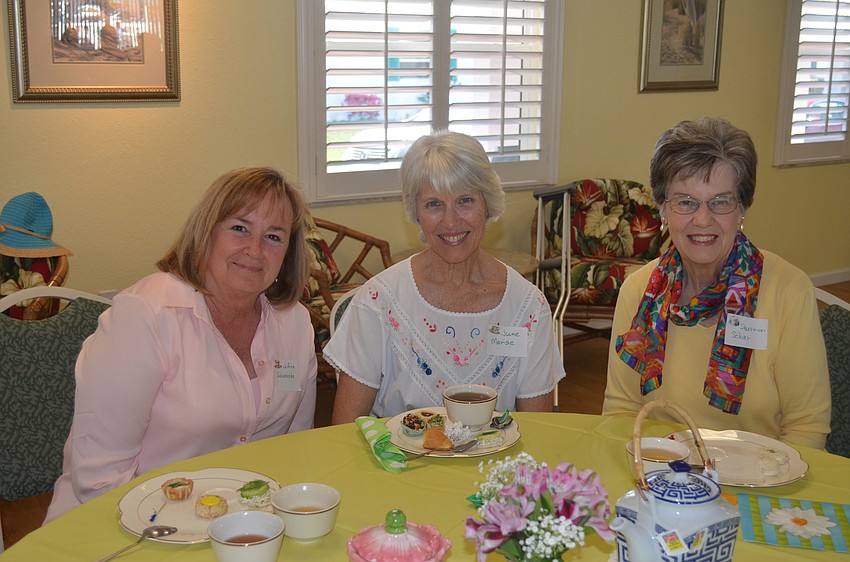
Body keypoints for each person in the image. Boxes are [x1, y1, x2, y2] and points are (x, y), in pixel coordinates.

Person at [45, 167, 317, 521]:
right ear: (206, 233)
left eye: (274, 237)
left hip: (244, 523)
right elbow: (99, 481)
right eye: (239, 228)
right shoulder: (146, 316)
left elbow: (294, 444)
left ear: (287, 253)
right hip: (124, 522)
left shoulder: (293, 324)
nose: (254, 250)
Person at [602, 117, 830, 450]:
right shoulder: (639, 291)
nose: (703, 219)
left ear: (742, 209)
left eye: (720, 202)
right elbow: (621, 413)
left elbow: (806, 429)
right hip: (662, 476)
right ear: (663, 209)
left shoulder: (789, 291)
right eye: (685, 202)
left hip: (763, 480)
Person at [325, 130, 565, 424]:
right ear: (416, 211)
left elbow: (539, 430)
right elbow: (346, 430)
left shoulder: (527, 307)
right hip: (398, 468)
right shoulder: (379, 302)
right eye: (434, 204)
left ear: (487, 204)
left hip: (494, 468)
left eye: (465, 201)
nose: (451, 222)